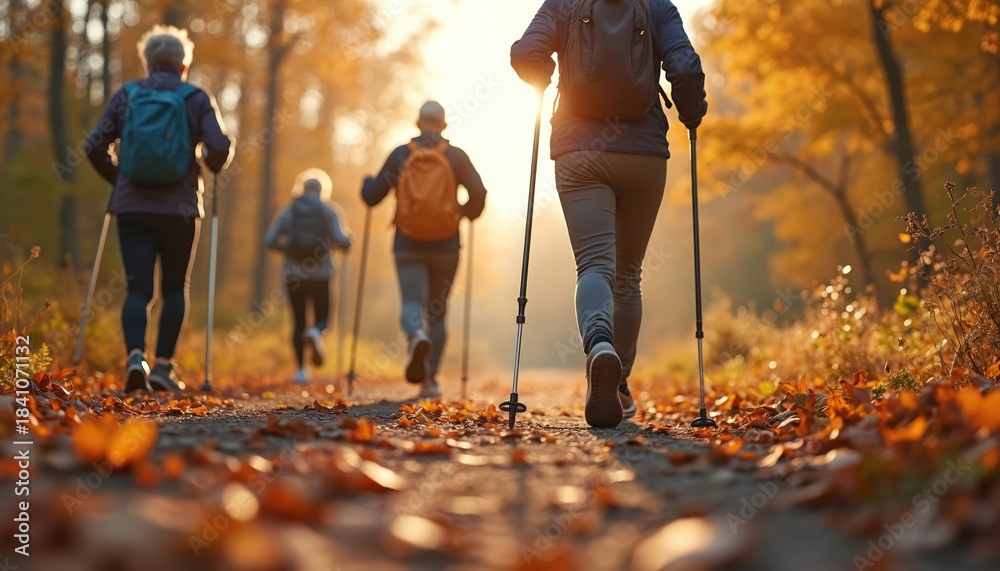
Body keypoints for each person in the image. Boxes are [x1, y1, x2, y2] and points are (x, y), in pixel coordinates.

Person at [511, 0, 708, 427]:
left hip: (579, 150)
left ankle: (599, 344)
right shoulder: (657, 6)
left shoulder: (564, 4)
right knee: (628, 274)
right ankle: (619, 384)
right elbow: (685, 69)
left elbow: (527, 53)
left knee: (594, 265)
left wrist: (543, 75)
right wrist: (691, 112)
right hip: (644, 153)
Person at [86, 25, 233, 393]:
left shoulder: (128, 95)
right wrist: (212, 159)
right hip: (180, 209)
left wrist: (120, 178)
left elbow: (93, 146)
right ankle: (163, 367)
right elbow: (218, 148)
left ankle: (136, 358)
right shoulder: (195, 97)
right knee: (174, 288)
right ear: (183, 66)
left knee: (138, 289)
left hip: (132, 207)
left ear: (147, 64)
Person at [362, 101, 487, 398]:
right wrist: (463, 213)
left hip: (408, 243)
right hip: (446, 244)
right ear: (444, 125)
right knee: (438, 311)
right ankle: (429, 379)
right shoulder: (456, 156)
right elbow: (479, 194)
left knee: (411, 303)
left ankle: (416, 334)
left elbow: (372, 197)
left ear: (418, 124)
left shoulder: (401, 154)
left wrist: (366, 183)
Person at [265, 169, 353, 383]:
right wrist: (346, 241)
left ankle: (301, 370)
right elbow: (341, 239)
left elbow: (270, 240)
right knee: (323, 318)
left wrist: (289, 249)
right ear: (323, 189)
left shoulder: (289, 211)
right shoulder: (329, 211)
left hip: (293, 275)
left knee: (298, 322)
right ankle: (316, 333)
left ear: (301, 188)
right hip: (322, 274)